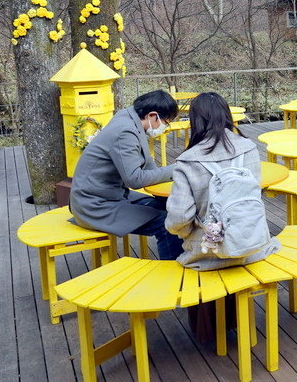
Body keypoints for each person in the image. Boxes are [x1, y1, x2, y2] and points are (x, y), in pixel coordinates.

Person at [165, 92, 280, 270]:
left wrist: (187, 233)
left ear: (195, 120)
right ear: (227, 115)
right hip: (254, 248)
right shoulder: (249, 148)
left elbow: (178, 219)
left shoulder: (187, 161)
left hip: (206, 256)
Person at [70, 90, 183, 261]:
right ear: (153, 116)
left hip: (108, 195)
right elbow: (134, 179)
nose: (165, 128)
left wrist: (166, 175)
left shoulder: (129, 118)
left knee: (168, 206)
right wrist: (174, 170)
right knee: (166, 223)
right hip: (94, 205)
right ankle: (173, 275)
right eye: (166, 122)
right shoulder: (125, 132)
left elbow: (146, 162)